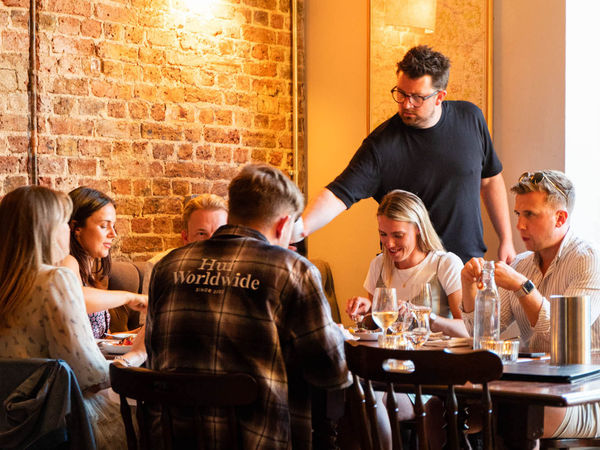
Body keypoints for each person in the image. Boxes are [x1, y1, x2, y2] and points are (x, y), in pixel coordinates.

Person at [145, 163, 349, 449]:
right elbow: (330, 372)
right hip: (258, 442)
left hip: (173, 440)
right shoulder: (293, 270)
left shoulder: (167, 267)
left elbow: (154, 359)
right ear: (283, 224)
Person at [298, 45, 515, 264]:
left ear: (440, 97)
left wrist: (506, 239)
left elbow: (489, 180)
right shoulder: (381, 145)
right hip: (410, 275)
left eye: (417, 97)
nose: (405, 104)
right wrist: (299, 229)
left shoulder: (471, 117)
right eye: (401, 93)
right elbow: (338, 194)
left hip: (468, 266)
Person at [460, 170, 600, 439]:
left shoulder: (588, 259)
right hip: (531, 389)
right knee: (440, 408)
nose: (519, 226)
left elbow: (561, 333)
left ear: (560, 218)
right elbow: (485, 333)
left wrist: (523, 287)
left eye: (530, 215)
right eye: (518, 215)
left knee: (516, 414)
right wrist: (468, 287)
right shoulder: (523, 263)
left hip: (583, 396)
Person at [0, 186, 126, 450]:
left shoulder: (8, 284)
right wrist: (136, 355)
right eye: (63, 224)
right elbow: (89, 377)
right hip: (54, 428)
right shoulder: (56, 279)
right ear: (46, 230)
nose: (68, 232)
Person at [346, 189, 463, 320]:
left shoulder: (446, 264)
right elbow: (377, 329)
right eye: (383, 234)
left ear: (418, 228)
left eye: (398, 235)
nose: (389, 244)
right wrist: (368, 312)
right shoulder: (378, 265)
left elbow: (466, 330)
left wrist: (429, 318)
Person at [61, 187, 147, 340]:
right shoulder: (67, 262)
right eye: (104, 226)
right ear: (76, 228)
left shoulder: (89, 273)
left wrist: (139, 333)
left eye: (113, 226)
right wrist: (129, 297)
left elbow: (97, 340)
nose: (113, 234)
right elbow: (73, 299)